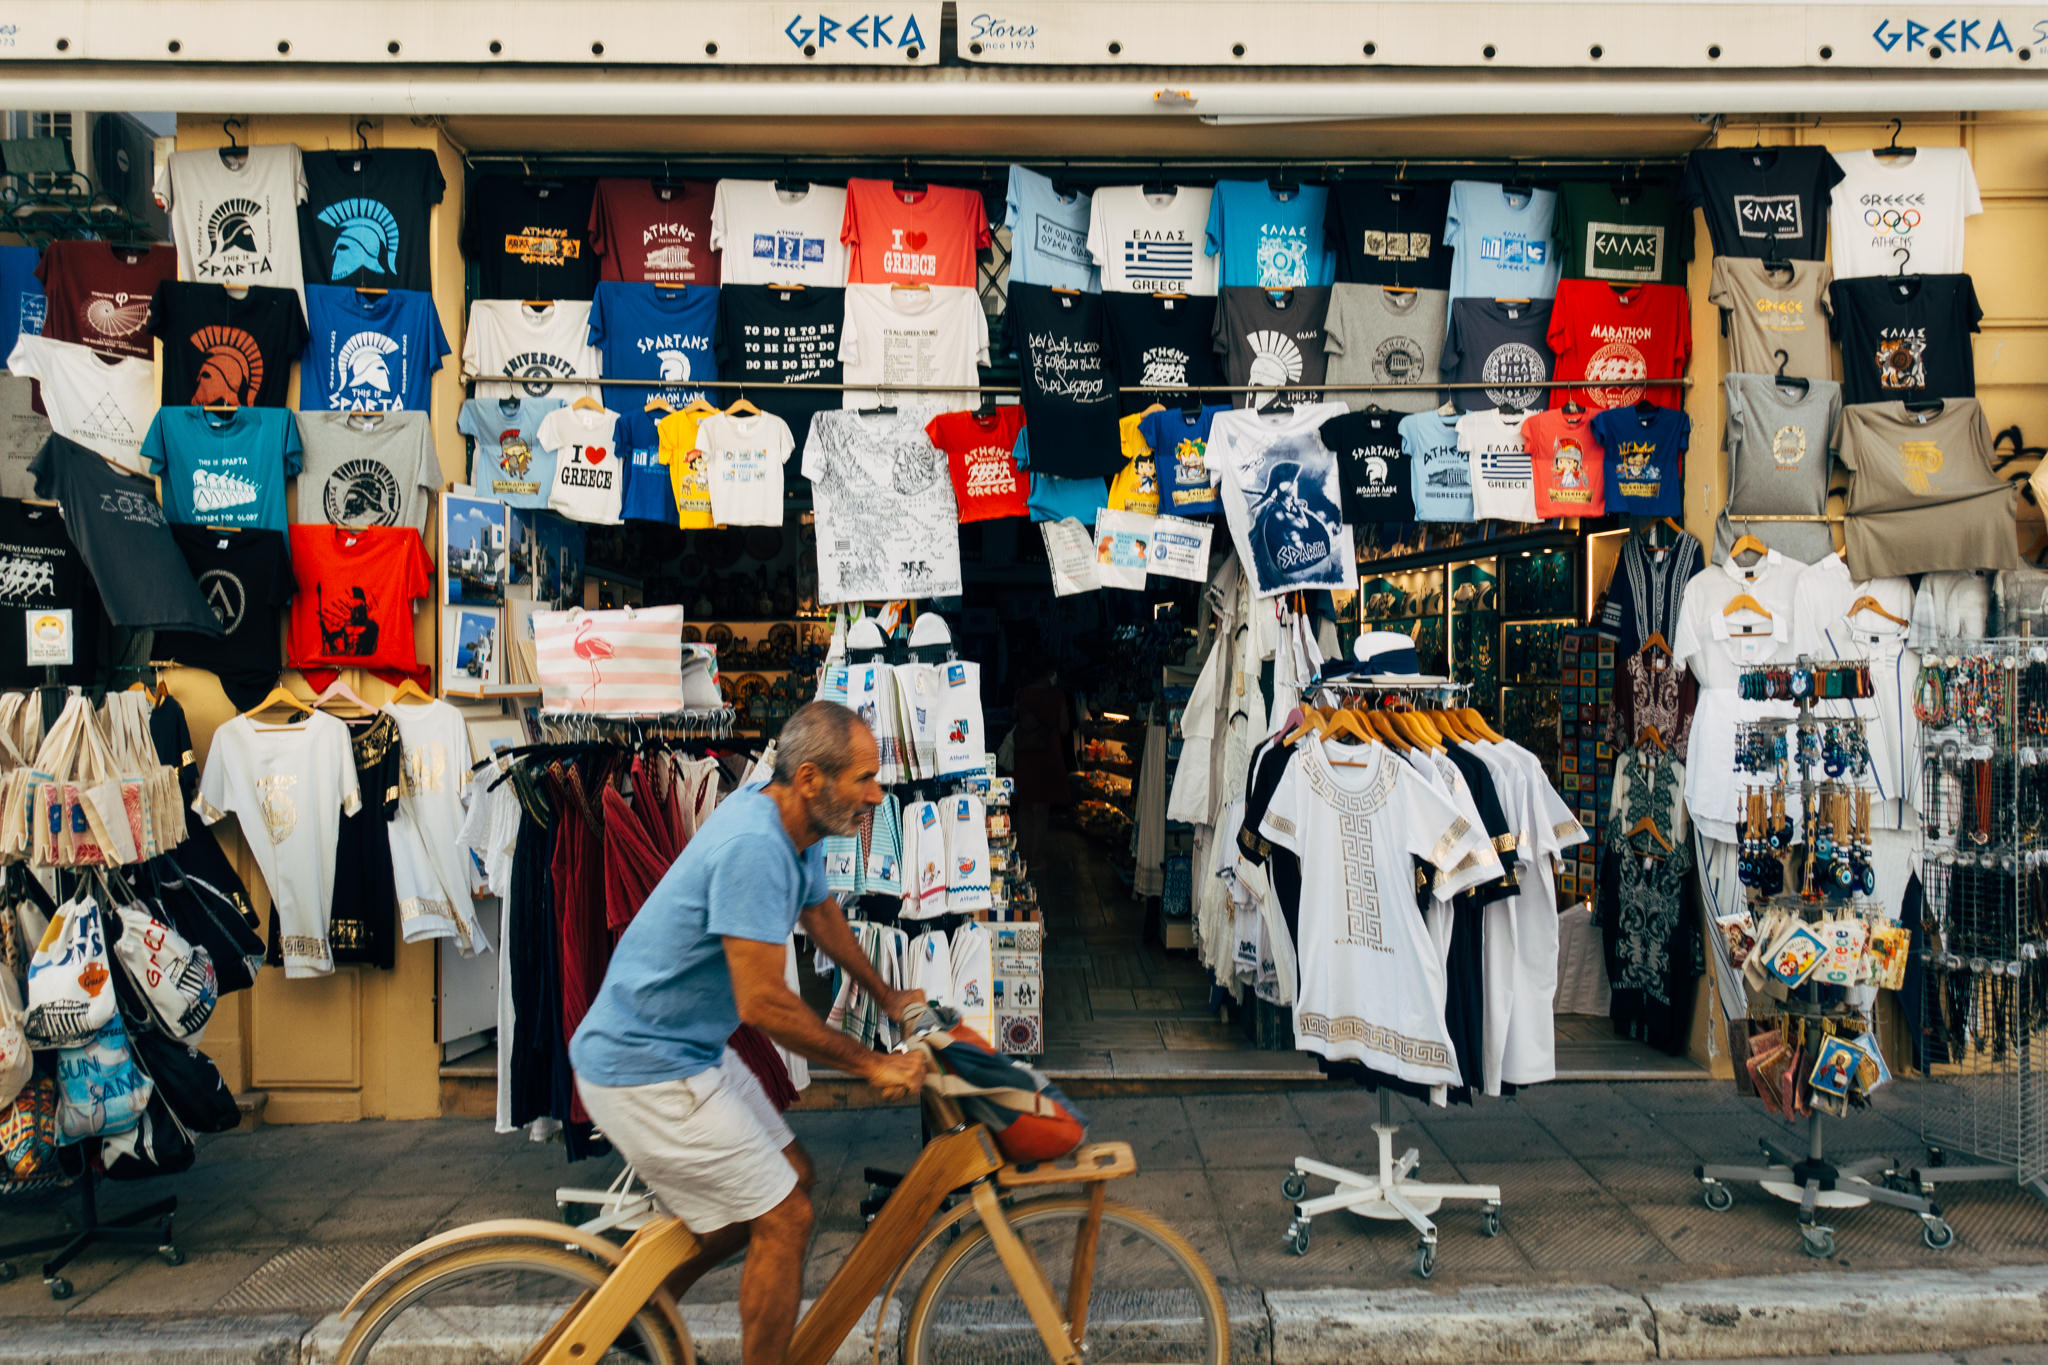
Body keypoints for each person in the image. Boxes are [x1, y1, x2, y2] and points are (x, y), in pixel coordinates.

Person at [569, 700, 926, 1365]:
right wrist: (869, 1062)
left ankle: (632, 1317)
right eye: (866, 778)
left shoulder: (790, 825)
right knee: (785, 1215)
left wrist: (890, 997)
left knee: (788, 1174)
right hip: (645, 1065)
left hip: (684, 1050)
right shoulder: (755, 845)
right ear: (814, 779)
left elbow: (821, 913)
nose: (877, 793)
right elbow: (763, 1001)